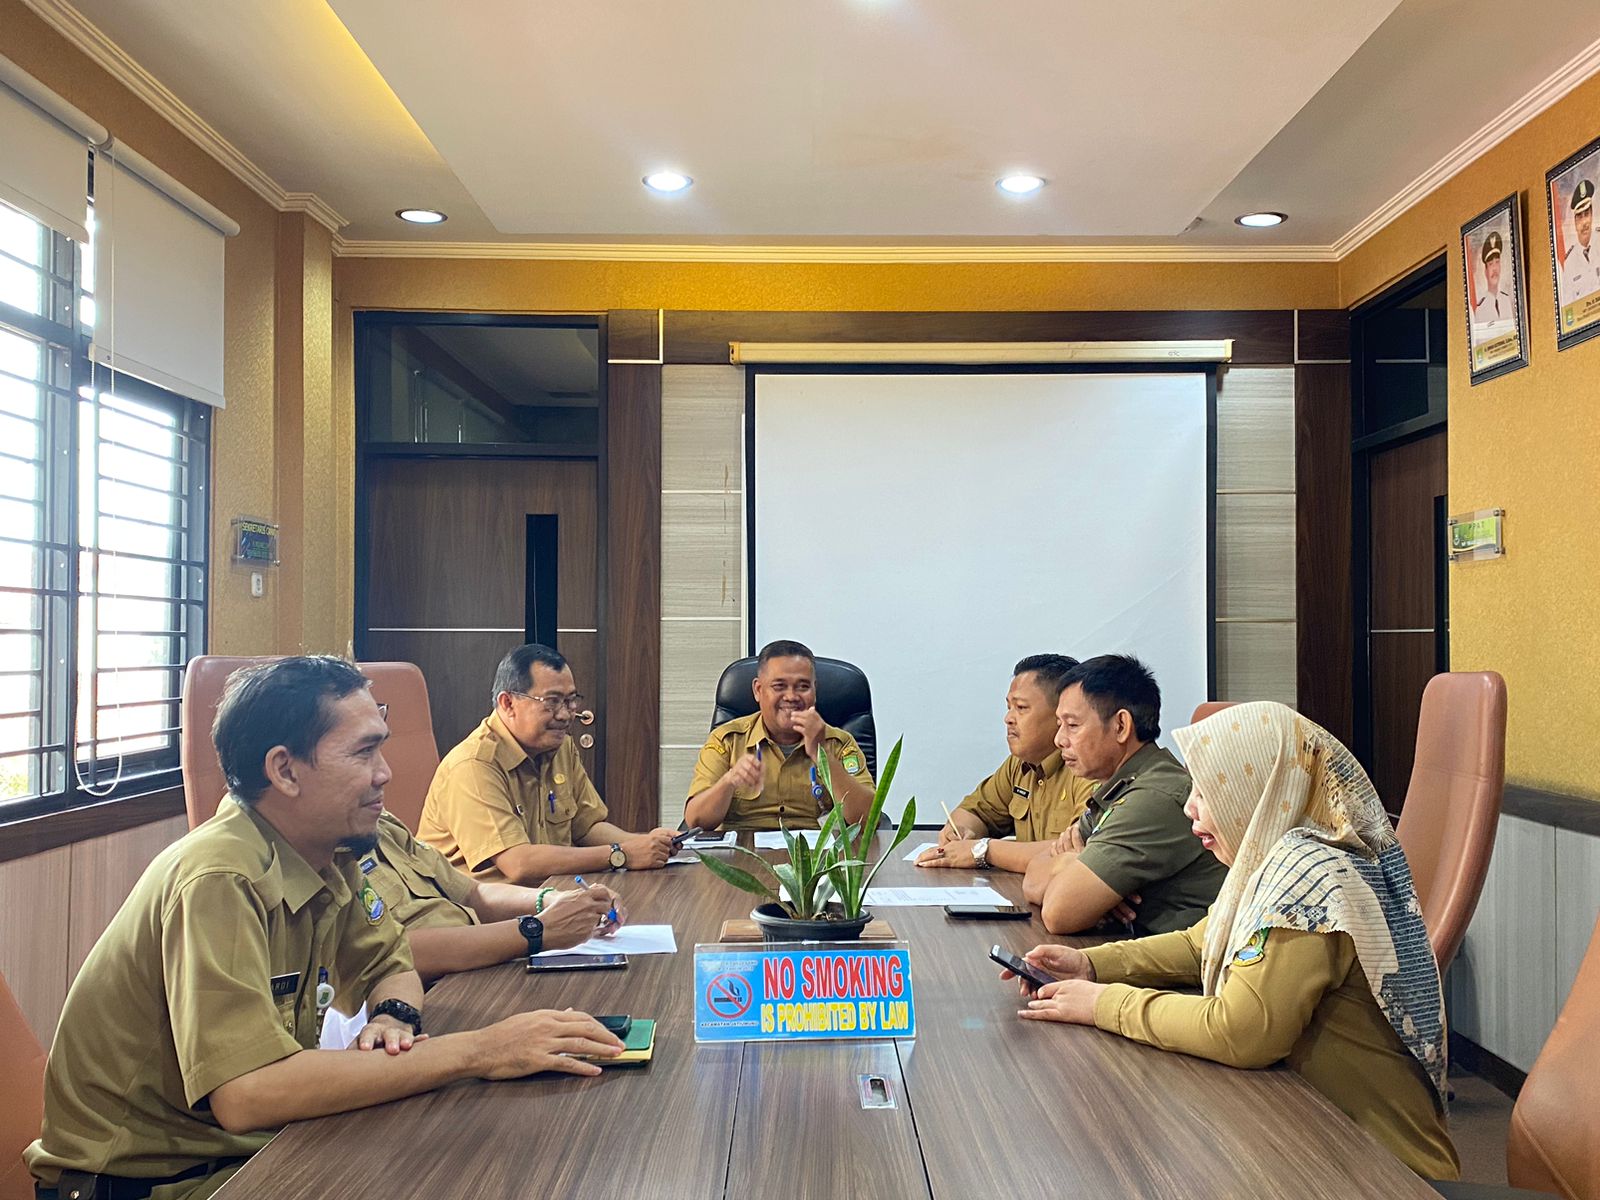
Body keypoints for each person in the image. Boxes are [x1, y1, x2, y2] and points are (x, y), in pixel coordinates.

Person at [26, 656, 623, 1200]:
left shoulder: (328, 852)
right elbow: (247, 1094)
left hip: (244, 1151)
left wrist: (397, 1017)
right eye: (363, 753)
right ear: (284, 770)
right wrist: (479, 1049)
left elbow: (390, 963)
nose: (386, 773)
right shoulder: (219, 879)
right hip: (149, 1182)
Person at [1002, 702, 1459, 1181]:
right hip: (1311, 1140)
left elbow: (1239, 1032)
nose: (1189, 807)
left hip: (1386, 1172)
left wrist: (1101, 1004)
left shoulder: (1309, 877)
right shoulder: (1272, 860)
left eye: (1207, 790)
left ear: (1256, 790)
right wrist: (1090, 966)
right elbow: (1199, 943)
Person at [419, 644, 676, 883]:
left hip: (551, 898)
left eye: (570, 700)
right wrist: (621, 854)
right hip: (478, 917)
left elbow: (587, 827)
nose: (565, 714)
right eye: (552, 702)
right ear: (508, 703)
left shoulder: (560, 746)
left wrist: (649, 845)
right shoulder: (473, 765)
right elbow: (517, 863)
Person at [1023, 655, 1225, 934]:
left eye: (1072, 725)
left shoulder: (1152, 798)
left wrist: (1075, 865)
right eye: (1060, 724)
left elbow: (1060, 914)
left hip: (1183, 969)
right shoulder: (1119, 786)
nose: (1059, 740)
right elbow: (1033, 876)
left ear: (1120, 726)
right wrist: (1082, 871)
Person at [359, 809, 625, 984]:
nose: (384, 772)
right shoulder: (331, 851)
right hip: (435, 991)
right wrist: (536, 931)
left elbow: (473, 893)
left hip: (481, 967)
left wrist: (552, 900)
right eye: (363, 752)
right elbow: (390, 954)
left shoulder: (381, 822)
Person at [916, 653, 1096, 873]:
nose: (1008, 718)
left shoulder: (1089, 768)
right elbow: (977, 811)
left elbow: (1078, 853)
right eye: (1008, 707)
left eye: (1021, 708)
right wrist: (962, 832)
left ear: (1060, 714)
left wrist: (982, 851)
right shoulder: (1019, 764)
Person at [684, 639, 876, 831]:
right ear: (758, 690)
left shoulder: (839, 743)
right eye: (779, 686)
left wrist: (822, 754)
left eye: (803, 686)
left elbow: (869, 820)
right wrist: (729, 780)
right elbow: (696, 821)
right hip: (741, 855)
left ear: (815, 691)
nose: (791, 696)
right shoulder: (728, 741)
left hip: (816, 857)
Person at [1562, 179, 1600, 303]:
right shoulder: (1569, 263)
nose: (1584, 222)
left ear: (1592, 214)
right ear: (1574, 222)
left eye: (1586, 213)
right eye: (1579, 216)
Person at [1470, 231, 1514, 338]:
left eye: (1497, 262)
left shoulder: (1508, 300)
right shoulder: (1480, 308)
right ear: (1485, 271)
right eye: (1490, 264)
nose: (1494, 269)